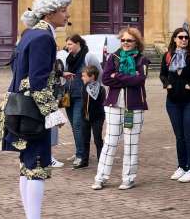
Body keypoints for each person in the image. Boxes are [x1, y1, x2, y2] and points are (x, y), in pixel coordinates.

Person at [0, 0, 71, 219]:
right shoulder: (42, 38)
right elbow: (35, 83)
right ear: (51, 13)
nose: (66, 15)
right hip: (31, 112)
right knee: (36, 167)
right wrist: (53, 113)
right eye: (63, 10)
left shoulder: (31, 34)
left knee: (28, 167)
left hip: (20, 107)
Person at [92, 27, 149, 191]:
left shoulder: (142, 59)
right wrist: (124, 78)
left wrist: (116, 76)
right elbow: (105, 79)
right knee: (110, 141)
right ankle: (101, 177)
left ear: (136, 42)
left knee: (131, 143)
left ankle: (128, 178)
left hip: (134, 106)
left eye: (129, 40)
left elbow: (139, 80)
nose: (125, 43)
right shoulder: (113, 57)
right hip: (113, 105)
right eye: (123, 40)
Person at [160, 27, 190, 183]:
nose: (183, 40)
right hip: (173, 102)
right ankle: (181, 166)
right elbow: (162, 74)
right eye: (180, 37)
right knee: (179, 136)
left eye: (186, 37)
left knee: (189, 136)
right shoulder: (168, 56)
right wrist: (167, 84)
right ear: (174, 39)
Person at [62, 34, 102, 169]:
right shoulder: (68, 58)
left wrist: (94, 92)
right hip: (68, 96)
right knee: (74, 125)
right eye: (67, 45)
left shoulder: (88, 56)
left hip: (82, 96)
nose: (68, 47)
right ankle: (80, 151)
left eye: (70, 44)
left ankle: (81, 156)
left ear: (78, 43)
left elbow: (99, 73)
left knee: (79, 124)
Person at [80, 65, 105, 166]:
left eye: (84, 76)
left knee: (97, 139)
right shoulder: (84, 87)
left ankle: (101, 160)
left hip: (97, 118)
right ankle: (84, 160)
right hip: (85, 117)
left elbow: (100, 104)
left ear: (92, 76)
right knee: (85, 139)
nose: (82, 78)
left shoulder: (101, 89)